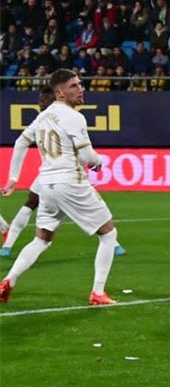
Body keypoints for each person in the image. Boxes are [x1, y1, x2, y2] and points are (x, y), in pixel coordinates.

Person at [0, 69, 120, 305]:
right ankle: (98, 292)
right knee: (108, 234)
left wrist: (13, 178)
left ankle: (8, 281)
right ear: (60, 92)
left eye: (80, 84)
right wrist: (99, 163)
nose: (81, 88)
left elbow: (21, 141)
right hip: (70, 182)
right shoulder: (74, 116)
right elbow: (87, 156)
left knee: (42, 239)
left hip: (46, 184)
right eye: (74, 85)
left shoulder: (44, 116)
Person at [0, 86, 127, 257]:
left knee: (39, 215)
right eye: (40, 100)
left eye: (43, 100)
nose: (40, 103)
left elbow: (23, 142)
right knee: (34, 206)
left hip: (63, 175)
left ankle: (8, 245)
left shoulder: (50, 118)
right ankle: (7, 245)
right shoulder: (54, 117)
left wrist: (14, 177)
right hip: (59, 175)